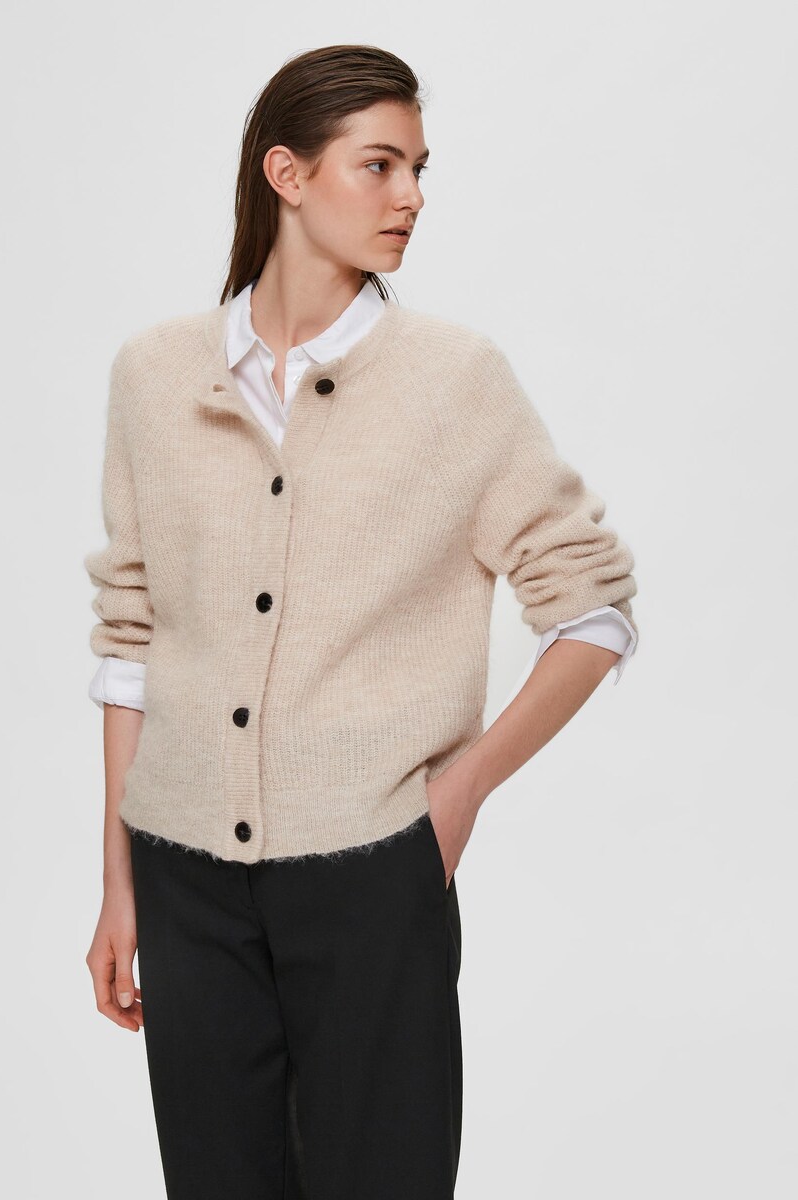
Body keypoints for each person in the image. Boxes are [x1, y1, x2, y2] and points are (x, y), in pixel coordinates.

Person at [83, 43, 638, 1200]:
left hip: (376, 875)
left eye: (419, 169)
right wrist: (120, 878)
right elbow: (132, 637)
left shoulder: (454, 380)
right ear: (287, 175)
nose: (411, 197)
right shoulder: (152, 375)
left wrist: (460, 792)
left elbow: (591, 607)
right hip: (184, 883)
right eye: (379, 165)